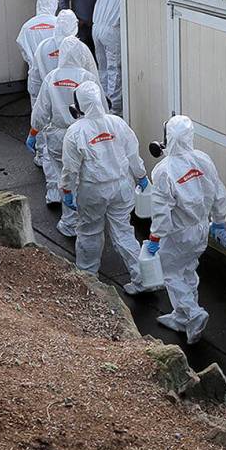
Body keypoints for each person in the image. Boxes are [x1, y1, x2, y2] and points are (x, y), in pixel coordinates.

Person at [59, 80, 153, 295]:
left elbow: (70, 169)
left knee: (89, 232)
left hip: (93, 191)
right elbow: (133, 154)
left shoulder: (75, 132)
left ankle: (88, 279)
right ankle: (143, 278)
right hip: (121, 187)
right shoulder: (117, 123)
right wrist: (141, 177)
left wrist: (67, 190)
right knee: (123, 232)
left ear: (78, 106)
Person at [146, 115, 226, 343]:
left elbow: (161, 211)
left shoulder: (164, 170)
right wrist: (219, 221)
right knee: (188, 269)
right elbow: (220, 194)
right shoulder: (203, 160)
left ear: (168, 138)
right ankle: (181, 317)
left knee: (170, 272)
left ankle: (193, 314)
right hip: (201, 228)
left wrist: (155, 237)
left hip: (178, 233)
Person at [29, 36, 98, 237]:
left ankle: (69, 222)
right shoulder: (87, 77)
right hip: (83, 134)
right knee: (84, 176)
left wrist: (34, 132)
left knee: (64, 176)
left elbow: (41, 110)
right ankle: (86, 219)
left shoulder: (52, 78)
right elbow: (99, 106)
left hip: (58, 136)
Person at [15, 0, 58, 167]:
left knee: (38, 113)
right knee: (55, 113)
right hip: (55, 75)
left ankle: (41, 154)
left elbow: (24, 50)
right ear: (54, 4)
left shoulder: (27, 27)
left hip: (36, 76)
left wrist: (34, 63)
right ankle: (55, 154)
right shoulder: (58, 25)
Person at [27, 10, 98, 107]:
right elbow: (93, 78)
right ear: (74, 26)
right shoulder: (81, 48)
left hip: (50, 103)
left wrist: (37, 103)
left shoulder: (43, 47)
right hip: (79, 107)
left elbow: (35, 79)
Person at [92, 0, 122, 115]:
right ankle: (114, 109)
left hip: (96, 28)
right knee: (114, 70)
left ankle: (102, 103)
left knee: (102, 68)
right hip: (112, 31)